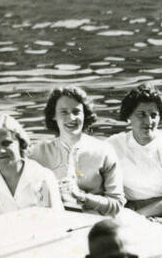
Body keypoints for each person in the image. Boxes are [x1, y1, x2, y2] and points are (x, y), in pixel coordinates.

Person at [29, 86, 126, 216]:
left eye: (76, 112)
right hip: (54, 223)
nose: (71, 118)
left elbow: (117, 204)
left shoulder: (104, 151)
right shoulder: (38, 152)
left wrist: (82, 197)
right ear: (53, 116)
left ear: (85, 114)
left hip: (96, 225)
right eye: (64, 112)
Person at [109, 85, 162, 216]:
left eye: (154, 115)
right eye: (141, 114)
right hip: (127, 210)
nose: (148, 121)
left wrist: (135, 216)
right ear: (129, 116)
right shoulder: (113, 144)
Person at [0, 112, 63, 213]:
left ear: (21, 143)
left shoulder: (42, 177)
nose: (1, 151)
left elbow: (51, 218)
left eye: (6, 143)